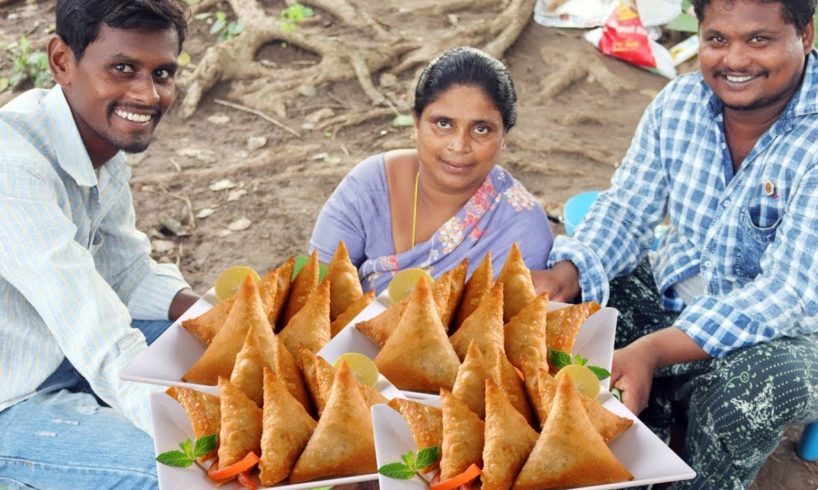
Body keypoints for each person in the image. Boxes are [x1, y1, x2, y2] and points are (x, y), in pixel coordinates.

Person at [533, 0, 818, 488]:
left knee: (750, 392)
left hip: (794, 334)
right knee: (572, 307)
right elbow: (626, 208)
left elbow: (788, 292)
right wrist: (569, 272)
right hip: (677, 296)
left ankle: (700, 476)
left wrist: (654, 350)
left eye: (759, 40)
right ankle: (650, 431)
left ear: (805, 36)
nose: (735, 60)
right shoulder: (679, 104)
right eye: (717, 39)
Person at [0, 1, 198, 488]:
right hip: (14, 399)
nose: (147, 94)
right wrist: (196, 429)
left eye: (163, 73)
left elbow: (126, 274)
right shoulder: (13, 166)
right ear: (62, 62)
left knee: (247, 358)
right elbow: (92, 325)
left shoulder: (98, 146)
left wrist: (222, 316)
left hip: (69, 356)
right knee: (191, 471)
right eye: (123, 68)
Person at [310, 47, 553, 293]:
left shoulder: (521, 230)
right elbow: (315, 288)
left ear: (503, 136)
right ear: (416, 123)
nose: (459, 146)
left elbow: (511, 326)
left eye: (481, 129)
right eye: (443, 124)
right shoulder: (370, 186)